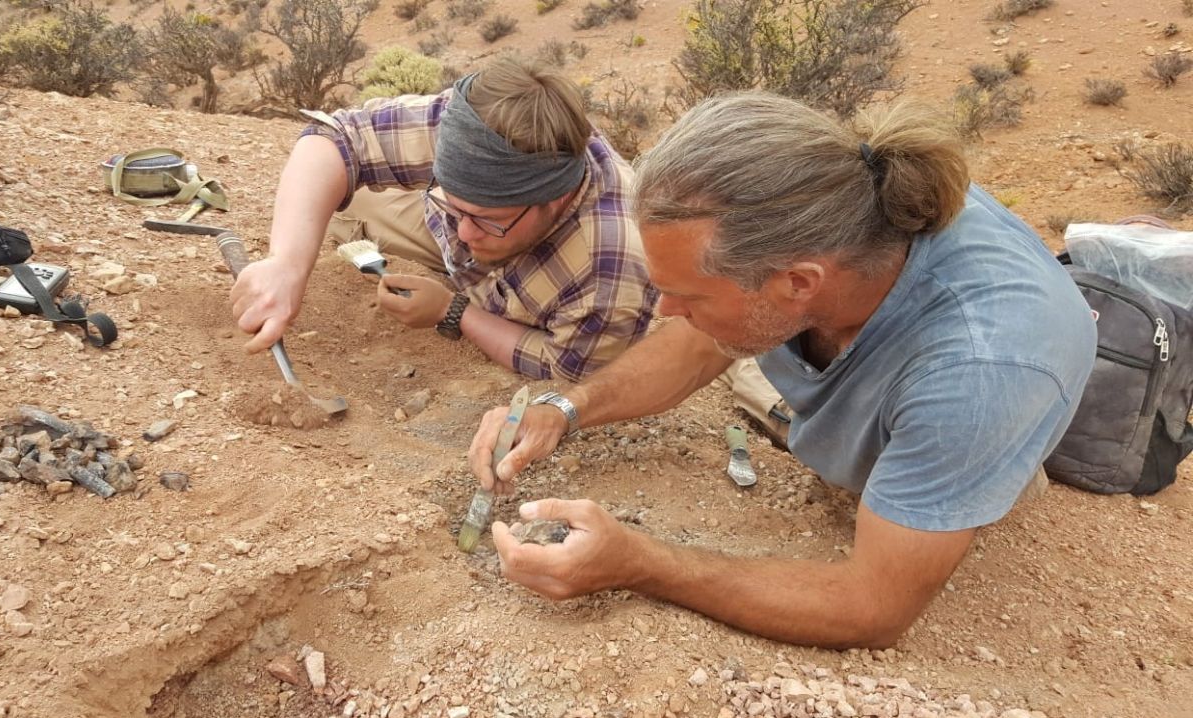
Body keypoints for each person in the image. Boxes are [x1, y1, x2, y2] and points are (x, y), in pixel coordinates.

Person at [466, 93, 1097, 649]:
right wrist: (565, 408)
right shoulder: (816, 216)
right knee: (735, 337)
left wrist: (638, 563)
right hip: (867, 340)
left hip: (982, 391)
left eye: (689, 295)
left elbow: (871, 607)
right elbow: (694, 344)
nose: (665, 309)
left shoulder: (974, 378)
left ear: (799, 283)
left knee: (921, 446)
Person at [229, 55, 657, 382]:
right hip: (466, 257)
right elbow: (336, 139)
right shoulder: (475, 125)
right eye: (456, 207)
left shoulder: (612, 268)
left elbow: (563, 365)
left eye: (489, 219)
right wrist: (287, 263)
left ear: (556, 197)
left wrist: (455, 313)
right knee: (336, 204)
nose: (465, 232)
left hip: (548, 294)